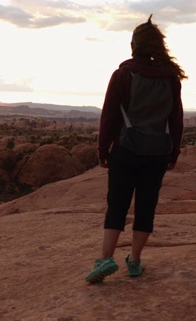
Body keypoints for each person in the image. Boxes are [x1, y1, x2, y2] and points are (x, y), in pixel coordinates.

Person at [85, 15, 186, 284]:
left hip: (126, 149)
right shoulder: (171, 78)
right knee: (146, 206)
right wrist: (174, 153)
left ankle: (105, 258)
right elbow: (175, 120)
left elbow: (109, 115)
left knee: (117, 204)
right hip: (157, 153)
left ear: (134, 45)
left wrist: (102, 149)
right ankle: (135, 261)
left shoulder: (123, 74)